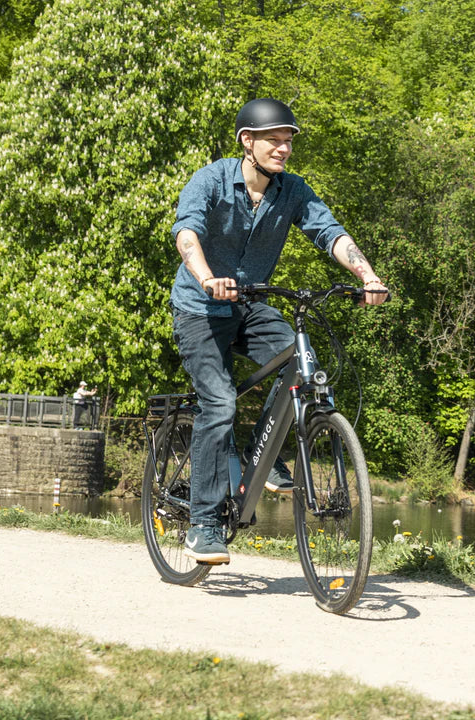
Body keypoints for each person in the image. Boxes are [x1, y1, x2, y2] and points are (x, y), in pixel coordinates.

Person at [170, 98, 387, 564]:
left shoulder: (293, 190)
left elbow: (331, 233)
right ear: (247, 141)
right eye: (274, 140)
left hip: (249, 306)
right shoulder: (210, 180)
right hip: (200, 309)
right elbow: (187, 233)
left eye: (288, 141)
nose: (284, 149)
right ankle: (203, 525)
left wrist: (367, 276)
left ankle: (260, 453)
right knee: (220, 404)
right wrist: (207, 277)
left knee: (302, 364)